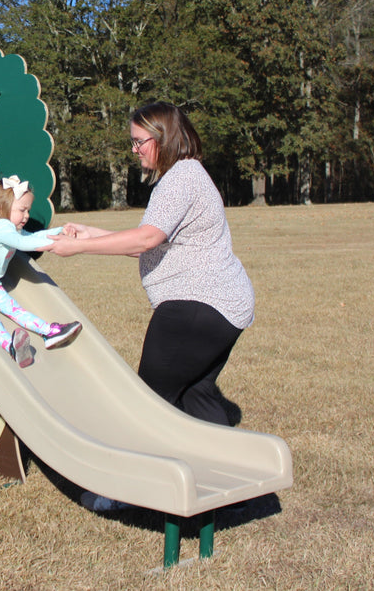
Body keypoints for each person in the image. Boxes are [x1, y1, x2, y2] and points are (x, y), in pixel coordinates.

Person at [44, 102, 254, 512]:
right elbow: (153, 246)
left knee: (145, 407)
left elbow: (145, 240)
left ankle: (121, 493)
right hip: (225, 308)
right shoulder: (188, 176)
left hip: (195, 307)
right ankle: (234, 485)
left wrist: (79, 247)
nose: (135, 150)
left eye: (140, 142)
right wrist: (92, 232)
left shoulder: (180, 179)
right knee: (197, 396)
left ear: (163, 138)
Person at [0, 175, 82, 368]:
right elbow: (24, 243)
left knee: (16, 310)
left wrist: (61, 231)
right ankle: (10, 346)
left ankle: (48, 332)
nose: (27, 215)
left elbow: (32, 235)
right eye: (22, 210)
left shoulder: (10, 228)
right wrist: (56, 243)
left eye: (27, 210)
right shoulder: (1, 227)